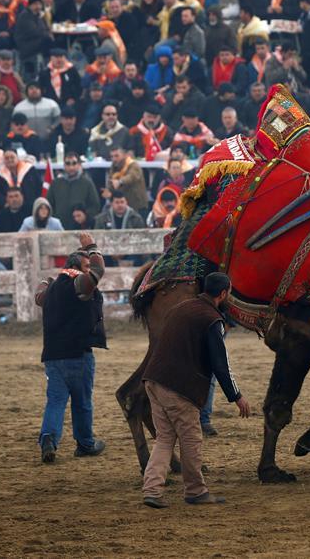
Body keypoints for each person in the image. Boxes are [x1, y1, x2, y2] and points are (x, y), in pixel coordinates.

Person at [141, 272, 250, 508]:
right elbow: (221, 364)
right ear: (223, 293)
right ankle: (195, 490)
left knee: (165, 439)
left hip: (153, 379)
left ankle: (152, 489)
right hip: (180, 387)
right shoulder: (212, 320)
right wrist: (237, 396)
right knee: (191, 439)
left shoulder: (182, 308)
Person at [35, 231, 107, 464]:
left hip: (53, 357)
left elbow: (38, 295)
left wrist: (47, 280)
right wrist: (92, 247)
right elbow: (98, 272)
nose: (88, 269)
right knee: (82, 401)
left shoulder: (52, 291)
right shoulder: (79, 284)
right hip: (78, 354)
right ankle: (85, 443)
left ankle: (48, 438)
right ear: (76, 267)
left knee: (55, 401)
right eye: (85, 265)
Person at [47, 153, 101, 230]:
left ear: (79, 165)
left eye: (74, 163)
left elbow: (95, 206)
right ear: (64, 165)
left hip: (81, 229)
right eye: (68, 164)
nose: (71, 167)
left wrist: (85, 216)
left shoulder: (87, 183)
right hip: (58, 229)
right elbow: (48, 205)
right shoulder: (56, 183)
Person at [103, 149, 149, 216]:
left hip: (137, 207)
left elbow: (131, 176)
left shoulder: (133, 165)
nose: (114, 159)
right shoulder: (114, 166)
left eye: (116, 156)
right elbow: (111, 182)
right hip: (121, 207)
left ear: (124, 155)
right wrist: (109, 192)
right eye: (112, 156)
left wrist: (120, 182)